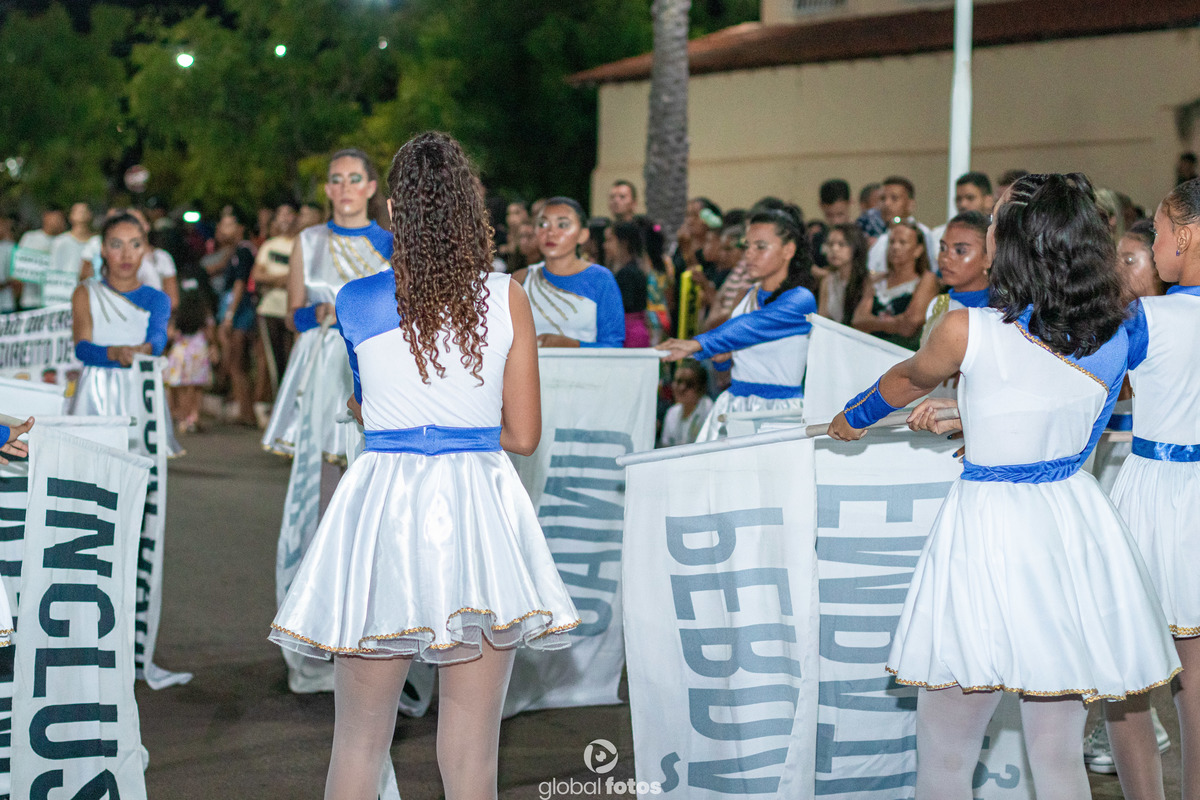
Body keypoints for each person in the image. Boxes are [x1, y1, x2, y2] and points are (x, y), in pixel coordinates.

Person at [828, 173, 1180, 800]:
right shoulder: (1115, 333)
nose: (986, 228)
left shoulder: (965, 328)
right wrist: (977, 420)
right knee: (1056, 750)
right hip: (1068, 525)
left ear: (1015, 243)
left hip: (988, 526)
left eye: (991, 222)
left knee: (945, 749)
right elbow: (1075, 420)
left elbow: (908, 380)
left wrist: (851, 418)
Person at [270, 131, 579, 800]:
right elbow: (524, 435)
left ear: (393, 212)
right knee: (472, 755)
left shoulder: (356, 300)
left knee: (358, 742)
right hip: (477, 509)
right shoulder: (508, 297)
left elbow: (367, 406)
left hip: (382, 503)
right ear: (473, 209)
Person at [1102, 178, 1200, 800]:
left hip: (1154, 491)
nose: (1156, 244)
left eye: (1159, 233)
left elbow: (1084, 390)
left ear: (1184, 237)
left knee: (1126, 674)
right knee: (1196, 678)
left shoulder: (1147, 318)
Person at [261, 149, 394, 460]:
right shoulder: (307, 241)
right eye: (337, 180)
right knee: (321, 465)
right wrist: (316, 313)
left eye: (354, 179)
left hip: (372, 359)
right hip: (319, 361)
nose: (345, 187)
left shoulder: (391, 244)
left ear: (370, 187)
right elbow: (292, 317)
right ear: (328, 190)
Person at [657, 206, 818, 440]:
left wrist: (698, 344)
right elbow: (728, 363)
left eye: (760, 247)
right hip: (735, 405)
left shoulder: (801, 299)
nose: (749, 254)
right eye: (747, 246)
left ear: (788, 250)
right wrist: (722, 360)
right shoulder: (746, 295)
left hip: (778, 411)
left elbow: (752, 327)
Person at [67, 213, 172, 420]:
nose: (126, 254)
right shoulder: (85, 292)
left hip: (141, 391)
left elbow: (158, 338)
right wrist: (114, 353)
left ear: (145, 249)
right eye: (117, 245)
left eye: (135, 245)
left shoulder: (158, 299)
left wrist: (145, 350)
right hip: (95, 394)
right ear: (103, 250)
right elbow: (82, 348)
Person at [511, 197, 625, 348]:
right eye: (543, 224)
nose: (551, 232)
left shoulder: (601, 279)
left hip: (586, 364)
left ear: (583, 234)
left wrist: (572, 345)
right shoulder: (521, 279)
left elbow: (613, 346)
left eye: (562, 225)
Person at [852, 217, 939, 350]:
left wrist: (873, 322)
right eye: (892, 242)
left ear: (918, 250)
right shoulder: (876, 280)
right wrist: (895, 323)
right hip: (868, 350)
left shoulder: (926, 280)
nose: (895, 247)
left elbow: (909, 326)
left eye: (902, 242)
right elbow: (858, 321)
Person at [922, 211, 992, 347]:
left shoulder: (996, 314)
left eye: (960, 251)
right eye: (943, 248)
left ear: (988, 258)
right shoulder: (938, 306)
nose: (945, 258)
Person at [165, 280, 217, 435]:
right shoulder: (204, 314)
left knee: (182, 388)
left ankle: (183, 418)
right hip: (198, 353)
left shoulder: (178, 315)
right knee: (197, 388)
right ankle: (194, 417)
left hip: (181, 353)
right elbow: (210, 334)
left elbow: (170, 334)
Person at [866, 177, 938, 275]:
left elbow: (930, 270)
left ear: (910, 204)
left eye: (894, 198)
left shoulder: (922, 233)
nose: (887, 204)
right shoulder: (881, 236)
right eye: (883, 198)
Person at [603, 221, 651, 348]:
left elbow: (622, 307)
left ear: (623, 243)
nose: (605, 245)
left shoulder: (626, 273)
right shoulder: (635, 268)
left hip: (628, 334)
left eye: (610, 240)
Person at [14, 207, 66, 310]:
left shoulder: (65, 241)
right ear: (45, 217)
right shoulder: (30, 237)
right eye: (55, 218)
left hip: (57, 302)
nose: (57, 222)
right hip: (31, 300)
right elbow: (19, 269)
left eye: (60, 219)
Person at [818, 222, 869, 325]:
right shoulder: (828, 280)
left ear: (855, 247)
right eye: (830, 244)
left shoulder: (867, 281)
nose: (834, 249)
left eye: (841, 244)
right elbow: (821, 319)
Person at [659, 360, 713, 447]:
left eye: (689, 384)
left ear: (701, 388)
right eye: (678, 381)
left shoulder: (709, 411)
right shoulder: (672, 412)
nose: (682, 388)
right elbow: (665, 446)